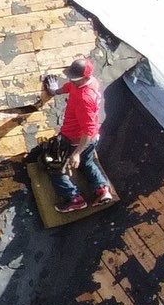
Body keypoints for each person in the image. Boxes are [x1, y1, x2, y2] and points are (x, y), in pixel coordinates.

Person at [40, 59, 114, 209]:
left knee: (55, 167)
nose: (71, 81)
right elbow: (70, 86)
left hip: (74, 140)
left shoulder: (84, 99)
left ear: (85, 77)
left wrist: (76, 153)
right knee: (87, 163)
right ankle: (102, 190)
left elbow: (87, 130)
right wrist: (55, 91)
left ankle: (74, 199)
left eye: (75, 79)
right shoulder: (90, 82)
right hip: (93, 138)